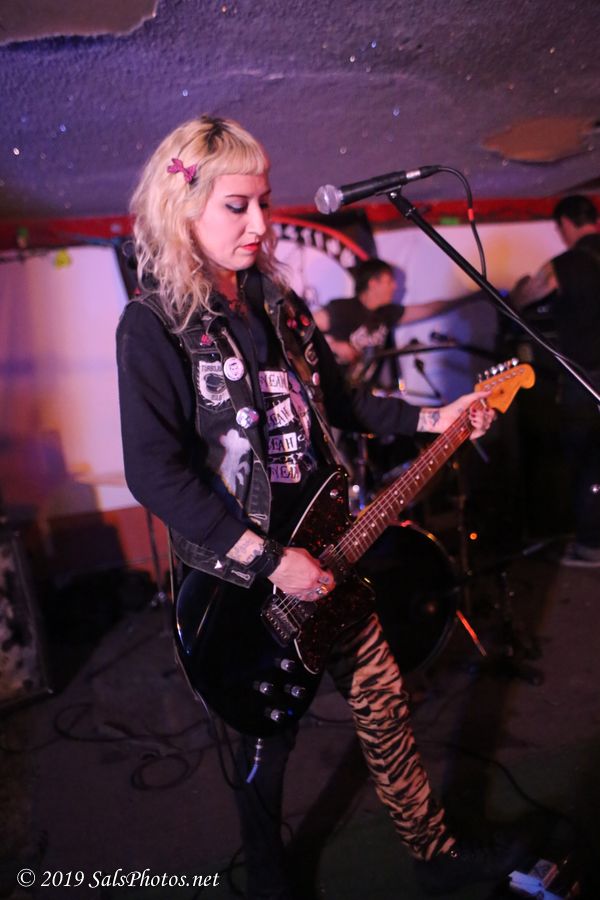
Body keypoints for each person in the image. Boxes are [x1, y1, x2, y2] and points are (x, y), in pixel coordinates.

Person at [116, 114, 516, 899]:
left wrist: (437, 417)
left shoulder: (280, 305)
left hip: (332, 548)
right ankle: (269, 875)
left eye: (264, 203)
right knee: (268, 740)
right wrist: (270, 561)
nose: (261, 224)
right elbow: (154, 475)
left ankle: (434, 856)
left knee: (384, 703)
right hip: (243, 582)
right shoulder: (153, 325)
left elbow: (347, 403)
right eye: (238, 206)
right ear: (182, 208)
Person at [510, 195, 600, 567]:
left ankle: (591, 545)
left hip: (586, 377)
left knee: (587, 460)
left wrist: (519, 288)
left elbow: (522, 300)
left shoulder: (565, 265)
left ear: (564, 224)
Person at [313, 257, 470, 387]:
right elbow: (304, 327)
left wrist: (467, 298)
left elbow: (427, 309)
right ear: (373, 283)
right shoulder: (341, 309)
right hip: (331, 388)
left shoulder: (387, 313)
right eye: (389, 281)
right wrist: (334, 345)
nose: (395, 286)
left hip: (360, 393)